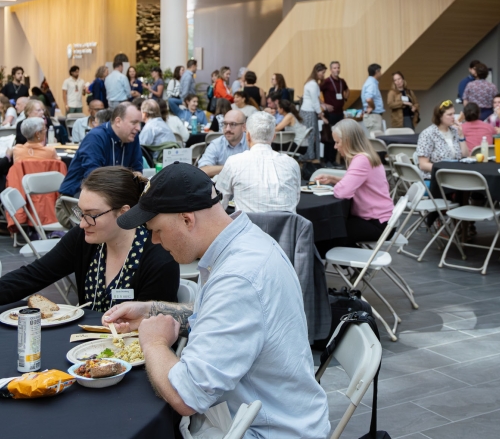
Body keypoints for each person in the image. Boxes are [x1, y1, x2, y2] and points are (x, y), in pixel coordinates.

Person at [101, 163, 330, 438]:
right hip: (264, 416)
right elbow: (215, 318)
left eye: (157, 230)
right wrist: (152, 310)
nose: (154, 241)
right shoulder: (243, 243)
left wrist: (154, 342)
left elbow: (186, 396)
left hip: (265, 430)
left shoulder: (238, 277)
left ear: (187, 219)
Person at [0, 166, 179, 316]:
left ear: (124, 212)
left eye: (91, 215)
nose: (81, 223)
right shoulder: (86, 239)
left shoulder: (158, 258)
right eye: (80, 213)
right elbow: (35, 274)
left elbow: (154, 329)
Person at [311, 119, 394, 255]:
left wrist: (338, 184)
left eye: (337, 142)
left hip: (376, 223)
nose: (335, 147)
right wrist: (333, 179)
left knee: (324, 233)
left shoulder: (361, 160)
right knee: (329, 229)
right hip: (382, 219)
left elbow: (342, 192)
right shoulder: (367, 156)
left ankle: (358, 267)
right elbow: (359, 182)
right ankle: (356, 269)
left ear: (348, 140)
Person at [214, 112, 301, 213]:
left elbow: (218, 205)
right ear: (273, 137)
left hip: (247, 228)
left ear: (248, 136)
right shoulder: (292, 164)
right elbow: (295, 199)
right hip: (285, 228)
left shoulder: (234, 163)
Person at [60, 102, 144, 197]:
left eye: (140, 123)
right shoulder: (95, 138)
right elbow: (94, 178)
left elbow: (137, 171)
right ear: (118, 122)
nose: (138, 128)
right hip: (76, 198)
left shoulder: (132, 137)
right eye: (134, 123)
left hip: (111, 197)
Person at [415, 100, 468, 174]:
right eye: (449, 114)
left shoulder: (455, 131)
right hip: (436, 177)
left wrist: (461, 135)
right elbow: (423, 165)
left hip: (455, 175)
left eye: (453, 113)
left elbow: (465, 156)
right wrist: (446, 170)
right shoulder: (428, 134)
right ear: (440, 116)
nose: (453, 117)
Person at [198, 109, 248, 178]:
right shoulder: (216, 144)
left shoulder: (252, 143)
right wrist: (231, 167)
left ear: (244, 127)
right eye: (225, 124)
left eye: (233, 124)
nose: (227, 129)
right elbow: (203, 170)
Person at [319, 61, 348, 163]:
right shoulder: (326, 81)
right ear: (331, 70)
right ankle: (328, 161)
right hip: (330, 114)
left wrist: (345, 99)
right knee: (330, 138)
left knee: (338, 137)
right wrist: (323, 104)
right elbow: (316, 93)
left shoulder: (342, 81)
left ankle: (335, 161)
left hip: (339, 114)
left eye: (338, 68)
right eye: (334, 68)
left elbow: (346, 90)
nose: (337, 70)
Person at [300, 63, 326, 163]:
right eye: (322, 72)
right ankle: (310, 157)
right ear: (317, 72)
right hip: (309, 112)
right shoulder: (313, 84)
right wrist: (321, 114)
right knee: (311, 136)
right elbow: (315, 101)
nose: (323, 75)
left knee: (310, 136)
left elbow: (316, 100)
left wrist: (324, 105)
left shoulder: (311, 82)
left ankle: (310, 155)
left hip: (307, 111)